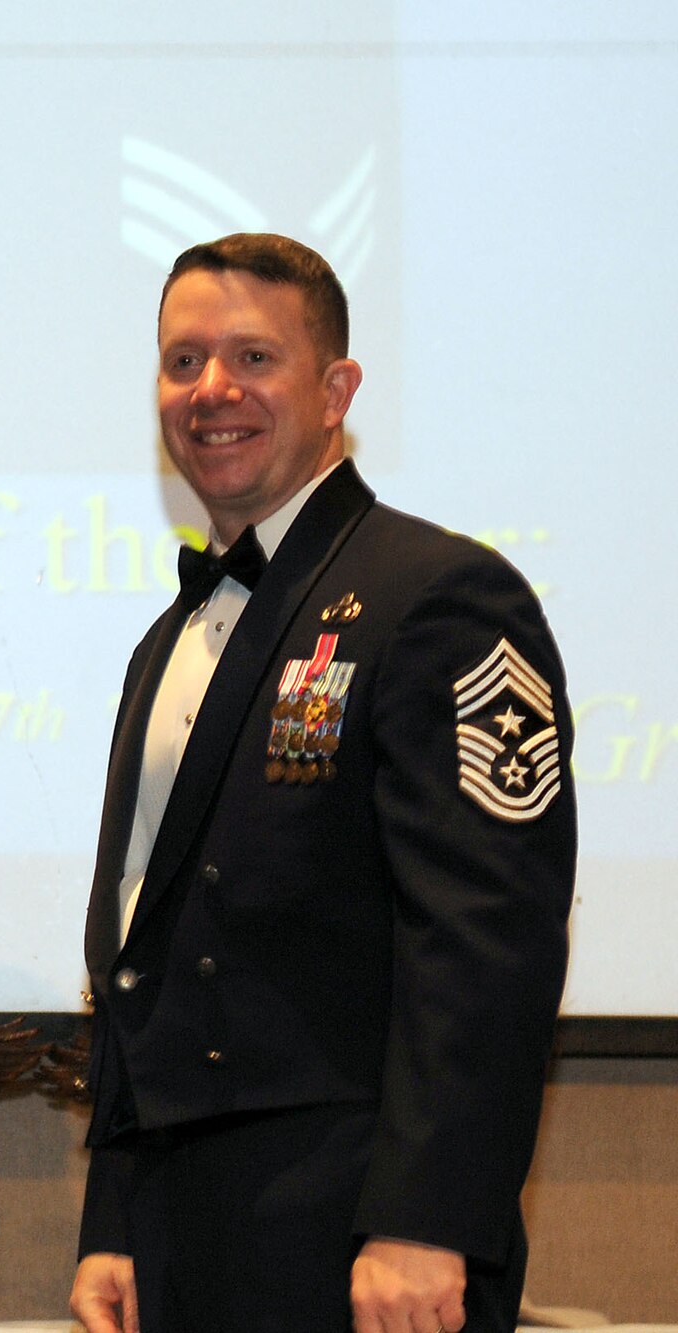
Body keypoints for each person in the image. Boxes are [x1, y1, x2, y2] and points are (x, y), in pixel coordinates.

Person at [68, 233, 575, 1333]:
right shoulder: (168, 641)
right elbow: (136, 945)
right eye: (183, 359)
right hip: (181, 1228)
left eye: (252, 357)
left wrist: (427, 1218)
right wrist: (112, 1211)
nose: (211, 390)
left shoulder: (437, 595)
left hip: (359, 1234)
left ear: (334, 388)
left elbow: (485, 935)